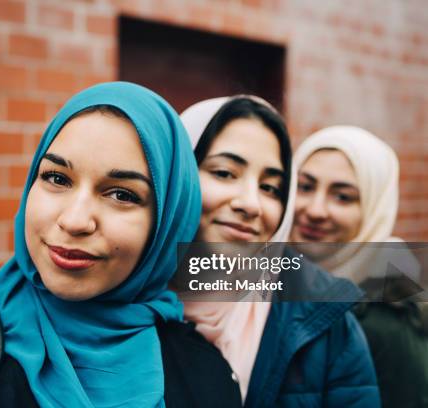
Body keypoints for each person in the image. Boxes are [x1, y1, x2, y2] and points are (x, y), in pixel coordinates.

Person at [0, 82, 242, 407]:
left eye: (121, 194)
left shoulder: (203, 371)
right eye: (57, 179)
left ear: (169, 222)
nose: (73, 220)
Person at [179, 97, 380, 407]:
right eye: (224, 173)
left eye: (270, 187)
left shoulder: (326, 320)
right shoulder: (121, 294)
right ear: (178, 174)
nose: (251, 204)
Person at [292, 125, 428, 408]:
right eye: (305, 187)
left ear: (374, 208)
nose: (316, 210)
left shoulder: (389, 316)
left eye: (343, 196)